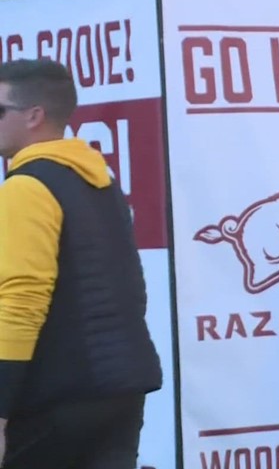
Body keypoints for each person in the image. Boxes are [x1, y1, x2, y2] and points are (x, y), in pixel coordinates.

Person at [0, 59, 162, 468]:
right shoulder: (101, 181)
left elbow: (20, 302)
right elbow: (131, 287)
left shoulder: (26, 187)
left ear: (34, 115)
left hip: (54, 397)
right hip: (123, 389)